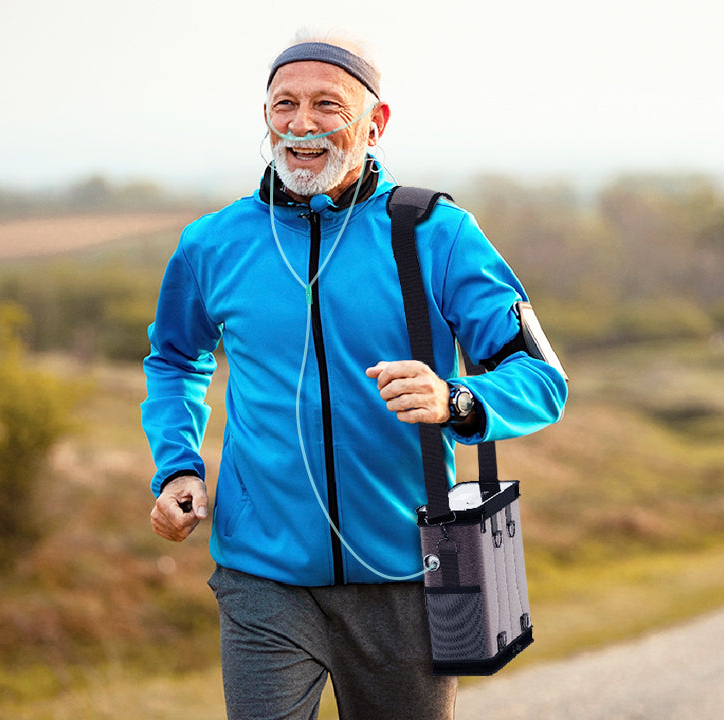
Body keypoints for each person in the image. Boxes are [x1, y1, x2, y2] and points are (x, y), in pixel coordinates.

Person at [142, 29, 568, 720]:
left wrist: (456, 398)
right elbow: (174, 359)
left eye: (327, 105)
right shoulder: (211, 243)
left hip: (408, 572)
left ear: (376, 122)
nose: (302, 124)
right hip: (262, 576)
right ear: (265, 117)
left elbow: (542, 379)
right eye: (284, 104)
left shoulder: (437, 232)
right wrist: (178, 469)